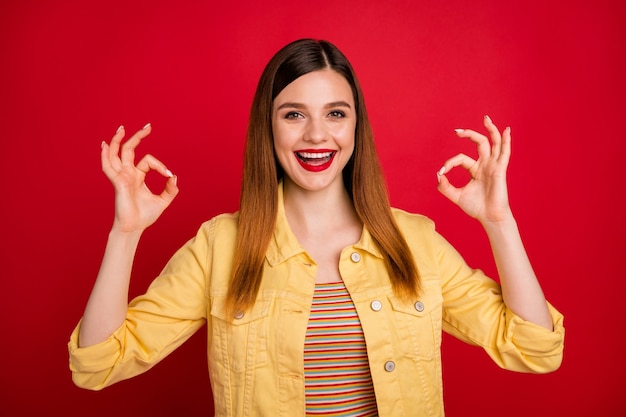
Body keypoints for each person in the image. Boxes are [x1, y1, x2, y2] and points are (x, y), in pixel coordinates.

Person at [68, 39, 564, 416]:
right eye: (293, 115)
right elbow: (98, 364)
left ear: (354, 127)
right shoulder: (219, 246)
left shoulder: (415, 242)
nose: (316, 134)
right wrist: (125, 234)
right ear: (269, 126)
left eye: (335, 113)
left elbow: (533, 347)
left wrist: (499, 222)